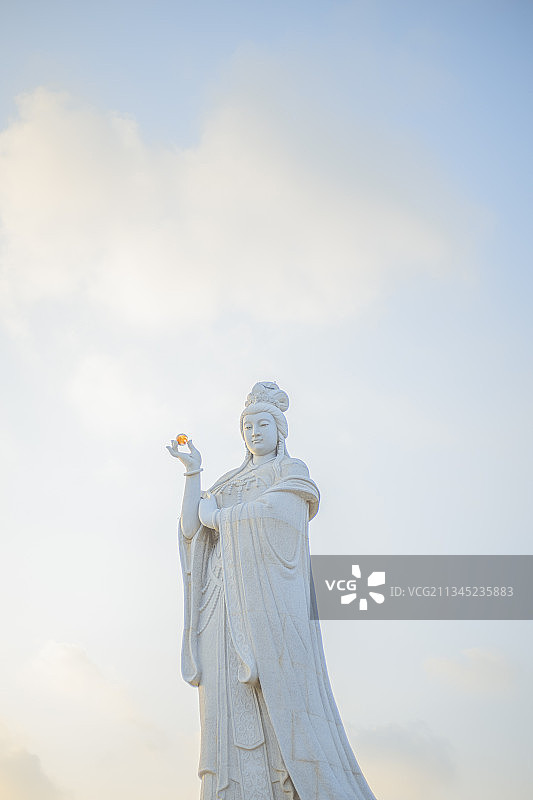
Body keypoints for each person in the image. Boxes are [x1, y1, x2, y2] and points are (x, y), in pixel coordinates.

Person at [168, 381, 377, 800]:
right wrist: (194, 473)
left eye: (263, 424)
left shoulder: (290, 472)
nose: (254, 432)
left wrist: (220, 519)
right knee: (224, 709)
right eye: (247, 427)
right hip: (220, 605)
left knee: (278, 702)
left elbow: (277, 517)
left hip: (266, 611)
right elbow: (193, 529)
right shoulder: (227, 484)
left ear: (280, 430)